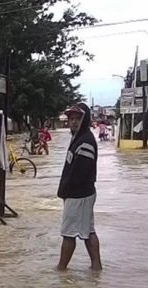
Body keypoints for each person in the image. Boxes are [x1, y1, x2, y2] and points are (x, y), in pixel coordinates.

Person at [57, 103, 101, 271]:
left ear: (85, 119)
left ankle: (61, 270)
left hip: (79, 195)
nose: (73, 122)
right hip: (80, 194)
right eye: (71, 118)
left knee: (69, 234)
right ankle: (96, 269)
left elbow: (79, 174)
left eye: (77, 118)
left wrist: (65, 192)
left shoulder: (85, 141)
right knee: (88, 232)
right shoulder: (77, 139)